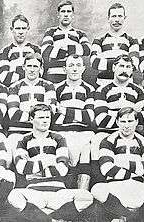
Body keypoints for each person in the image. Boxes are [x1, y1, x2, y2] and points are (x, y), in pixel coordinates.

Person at [7, 104, 93, 222]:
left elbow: (62, 169)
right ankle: (53, 220)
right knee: (13, 196)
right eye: (41, 118)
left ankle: (48, 218)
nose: (45, 121)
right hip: (34, 191)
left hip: (58, 192)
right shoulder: (24, 140)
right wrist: (49, 161)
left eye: (47, 117)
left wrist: (33, 164)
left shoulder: (58, 138)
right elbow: (22, 168)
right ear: (31, 119)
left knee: (86, 196)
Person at [91, 107, 144, 222]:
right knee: (96, 189)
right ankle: (138, 217)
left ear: (136, 122)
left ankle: (129, 217)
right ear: (117, 122)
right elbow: (106, 168)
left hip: (138, 187)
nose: (126, 125)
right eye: (123, 121)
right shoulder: (108, 140)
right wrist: (137, 169)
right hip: (116, 187)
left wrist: (122, 163)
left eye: (130, 121)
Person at [90, 54, 144, 186]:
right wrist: (132, 111)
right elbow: (101, 120)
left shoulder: (139, 91)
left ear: (132, 70)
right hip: (107, 132)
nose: (124, 70)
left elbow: (143, 119)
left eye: (128, 67)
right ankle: (97, 186)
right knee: (95, 143)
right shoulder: (102, 90)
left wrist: (113, 114)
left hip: (131, 133)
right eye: (121, 66)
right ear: (114, 67)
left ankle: (139, 185)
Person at [54, 54, 95, 189]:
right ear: (65, 69)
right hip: (62, 131)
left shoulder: (90, 89)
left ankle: (82, 192)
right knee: (61, 149)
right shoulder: (56, 88)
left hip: (83, 131)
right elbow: (53, 116)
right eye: (71, 65)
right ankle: (62, 192)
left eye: (78, 65)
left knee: (87, 148)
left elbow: (89, 117)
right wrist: (79, 114)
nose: (75, 69)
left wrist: (64, 110)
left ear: (83, 69)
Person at [6, 53, 57, 160]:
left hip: (39, 132)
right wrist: (38, 113)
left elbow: (51, 111)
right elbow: (14, 114)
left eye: (35, 66)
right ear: (24, 67)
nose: (32, 70)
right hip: (17, 131)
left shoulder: (48, 86)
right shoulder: (14, 87)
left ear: (41, 68)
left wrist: (26, 110)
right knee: (17, 159)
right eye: (29, 66)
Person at [41, 0, 91, 83]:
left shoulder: (80, 33)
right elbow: (45, 50)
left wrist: (59, 49)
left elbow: (87, 50)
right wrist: (74, 50)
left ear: (73, 15)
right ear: (58, 15)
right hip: (55, 74)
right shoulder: (50, 32)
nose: (66, 14)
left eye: (69, 11)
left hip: (74, 75)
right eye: (63, 11)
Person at [90, 3, 139, 87]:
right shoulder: (98, 40)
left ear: (124, 18)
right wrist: (123, 65)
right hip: (103, 84)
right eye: (113, 16)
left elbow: (134, 64)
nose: (117, 20)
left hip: (126, 85)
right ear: (108, 18)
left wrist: (105, 63)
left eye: (120, 16)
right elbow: (94, 63)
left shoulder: (132, 41)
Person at [0, 14, 41, 87]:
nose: (21, 32)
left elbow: (39, 74)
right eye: (17, 28)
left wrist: (15, 71)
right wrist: (28, 73)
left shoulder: (36, 49)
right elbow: (4, 78)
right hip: (12, 90)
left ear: (28, 29)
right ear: (12, 29)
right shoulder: (5, 50)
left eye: (23, 28)